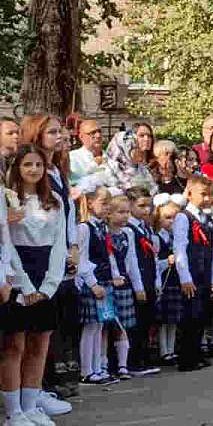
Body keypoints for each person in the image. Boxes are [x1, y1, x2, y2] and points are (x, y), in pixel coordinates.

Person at [2, 145, 67, 426]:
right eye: (27, 164)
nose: (33, 170)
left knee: (40, 343)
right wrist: (26, 286)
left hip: (46, 273)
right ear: (17, 168)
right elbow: (7, 246)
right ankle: (13, 411)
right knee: (15, 345)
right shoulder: (7, 200)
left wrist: (50, 284)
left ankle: (30, 406)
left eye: (38, 165)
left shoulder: (53, 200)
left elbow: (60, 243)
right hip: (19, 273)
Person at [20, 114, 79, 400]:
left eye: (61, 132)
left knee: (50, 323)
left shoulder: (57, 170)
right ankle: (35, 389)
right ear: (36, 135)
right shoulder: (32, 171)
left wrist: (73, 245)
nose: (60, 137)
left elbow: (68, 213)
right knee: (31, 329)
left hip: (60, 250)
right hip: (33, 254)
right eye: (52, 132)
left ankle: (43, 386)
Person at [173, 176, 213, 371]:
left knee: (201, 314)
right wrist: (184, 277)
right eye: (203, 194)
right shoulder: (183, 217)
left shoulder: (208, 219)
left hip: (205, 273)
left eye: (211, 195)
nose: (208, 199)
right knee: (189, 315)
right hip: (191, 274)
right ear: (190, 193)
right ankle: (186, 357)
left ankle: (196, 352)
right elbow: (180, 248)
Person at [74, 187, 117, 386]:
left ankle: (98, 367)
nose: (107, 207)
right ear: (90, 203)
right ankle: (86, 371)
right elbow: (81, 260)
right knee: (90, 327)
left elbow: (108, 254)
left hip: (104, 281)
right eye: (103, 203)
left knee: (100, 325)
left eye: (109, 203)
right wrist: (92, 284)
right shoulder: (84, 228)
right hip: (93, 283)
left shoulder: (103, 227)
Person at [102, 194, 144, 380]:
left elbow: (132, 260)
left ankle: (122, 365)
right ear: (108, 214)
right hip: (109, 283)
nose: (125, 216)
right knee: (106, 326)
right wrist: (113, 276)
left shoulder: (129, 233)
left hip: (124, 283)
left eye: (127, 212)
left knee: (123, 327)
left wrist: (138, 286)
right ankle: (104, 365)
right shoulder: (103, 232)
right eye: (120, 212)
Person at [124, 187, 161, 377]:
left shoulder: (145, 227)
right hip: (135, 282)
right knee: (136, 323)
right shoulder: (128, 228)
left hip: (148, 279)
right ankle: (133, 361)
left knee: (146, 320)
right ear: (130, 205)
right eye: (141, 206)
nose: (147, 210)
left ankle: (144, 357)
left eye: (149, 206)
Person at [153, 194, 185, 365]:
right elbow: (155, 263)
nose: (171, 221)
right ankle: (163, 351)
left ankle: (171, 350)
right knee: (163, 321)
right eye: (167, 217)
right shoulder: (156, 237)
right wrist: (167, 261)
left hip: (175, 281)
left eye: (175, 218)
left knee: (173, 319)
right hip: (164, 282)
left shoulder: (175, 237)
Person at [68, 120, 105, 186]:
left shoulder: (111, 157)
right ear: (81, 137)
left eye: (99, 131)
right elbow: (74, 185)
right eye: (92, 132)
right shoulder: (72, 158)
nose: (98, 135)